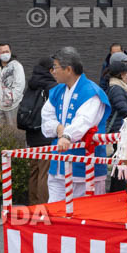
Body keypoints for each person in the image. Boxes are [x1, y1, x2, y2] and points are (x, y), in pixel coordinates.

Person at [41, 47, 112, 201]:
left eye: (55, 67)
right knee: (56, 212)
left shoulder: (92, 92)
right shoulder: (57, 91)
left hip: (85, 166)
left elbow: (84, 121)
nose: (52, 71)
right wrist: (59, 128)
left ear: (68, 69)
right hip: (59, 163)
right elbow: (46, 118)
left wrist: (66, 135)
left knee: (87, 216)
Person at [19, 58, 57, 206]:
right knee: (45, 172)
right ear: (50, 70)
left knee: (34, 170)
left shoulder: (32, 84)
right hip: (45, 134)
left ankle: (33, 203)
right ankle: (44, 205)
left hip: (31, 134)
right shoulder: (51, 86)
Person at [0, 42, 25, 130]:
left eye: (7, 51)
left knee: (14, 131)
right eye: (2, 52)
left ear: (10, 52)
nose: (5, 54)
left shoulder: (17, 66)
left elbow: (19, 85)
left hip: (13, 106)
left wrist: (11, 99)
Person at [105, 59, 127, 133]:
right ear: (119, 75)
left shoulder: (122, 87)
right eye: (125, 73)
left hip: (120, 128)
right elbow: (123, 109)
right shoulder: (117, 89)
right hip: (118, 129)